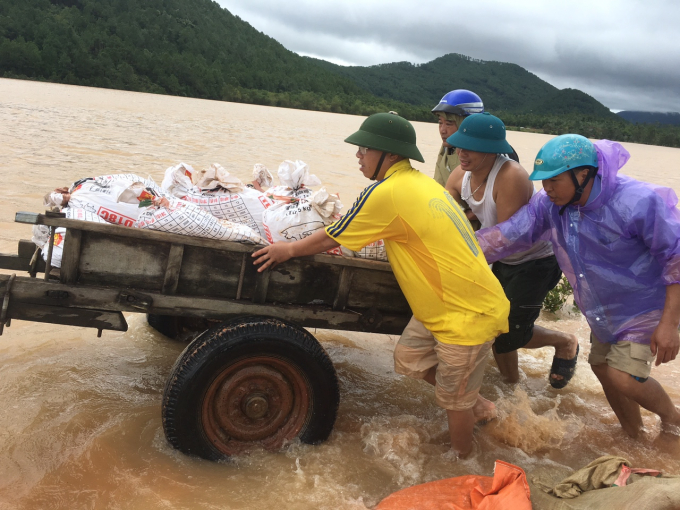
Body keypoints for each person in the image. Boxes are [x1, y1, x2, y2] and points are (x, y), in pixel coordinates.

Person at [253, 112, 510, 457]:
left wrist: (289, 249)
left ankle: (463, 465)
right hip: (448, 303)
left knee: (454, 401)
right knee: (410, 357)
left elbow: (334, 235)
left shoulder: (387, 191)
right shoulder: (421, 183)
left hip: (465, 312)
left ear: (389, 155)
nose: (358, 155)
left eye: (365, 149)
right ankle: (480, 407)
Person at [476, 134, 680, 438]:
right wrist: (456, 250)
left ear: (583, 173)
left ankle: (673, 422)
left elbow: (675, 259)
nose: (546, 188)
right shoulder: (552, 204)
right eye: (543, 180)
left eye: (554, 180)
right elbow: (509, 234)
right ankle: (634, 435)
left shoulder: (638, 202)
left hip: (648, 307)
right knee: (602, 368)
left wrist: (669, 324)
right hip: (604, 311)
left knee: (623, 377)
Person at [444, 113, 579, 387]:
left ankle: (566, 341)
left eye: (470, 147)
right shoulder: (461, 174)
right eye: (460, 145)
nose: (461, 152)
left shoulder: (511, 176)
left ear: (492, 150)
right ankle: (511, 387)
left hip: (534, 262)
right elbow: (443, 210)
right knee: (496, 326)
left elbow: (507, 238)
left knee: (510, 332)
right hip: (496, 257)